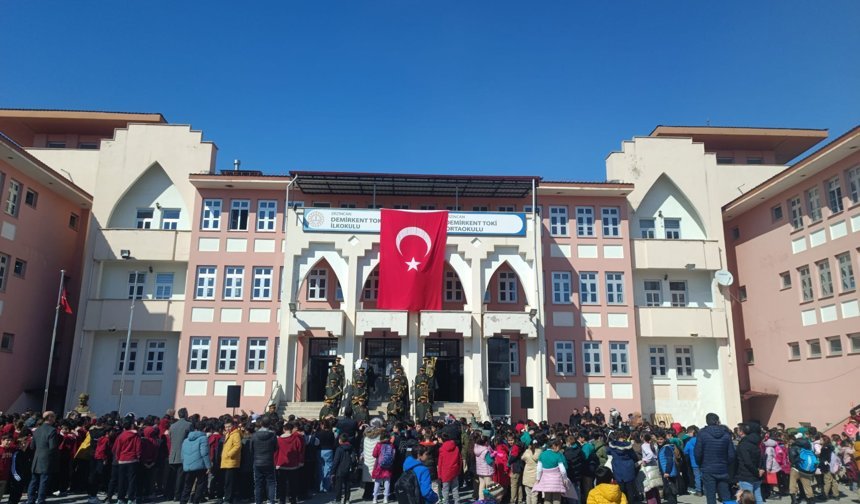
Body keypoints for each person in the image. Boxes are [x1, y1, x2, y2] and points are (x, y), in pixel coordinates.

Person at [694, 413, 735, 504]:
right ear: (717, 421)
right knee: (726, 495)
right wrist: (726, 463)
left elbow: (697, 453)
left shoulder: (702, 434)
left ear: (707, 421)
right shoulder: (726, 434)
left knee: (711, 496)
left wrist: (700, 464)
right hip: (723, 468)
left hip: (707, 468)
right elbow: (731, 455)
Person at [28, 411, 58, 504]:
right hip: (46, 459)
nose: (54, 419)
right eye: (53, 417)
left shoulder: (37, 430)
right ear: (50, 418)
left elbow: (32, 446)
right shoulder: (52, 430)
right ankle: (40, 500)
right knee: (44, 481)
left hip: (36, 458)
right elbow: (53, 447)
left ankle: (30, 500)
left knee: (33, 481)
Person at [180, 421, 210, 504]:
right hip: (200, 465)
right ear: (204, 429)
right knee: (200, 484)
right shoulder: (203, 438)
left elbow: (182, 454)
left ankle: (183, 502)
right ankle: (196, 501)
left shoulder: (186, 440)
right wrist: (208, 466)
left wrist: (184, 464)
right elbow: (204, 453)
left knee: (187, 486)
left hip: (188, 466)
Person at [275, 422, 305, 504]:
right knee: (293, 483)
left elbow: (276, 452)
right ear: (291, 430)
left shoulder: (279, 440)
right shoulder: (296, 439)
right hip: (294, 465)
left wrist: (275, 463)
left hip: (282, 464)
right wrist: (300, 461)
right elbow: (300, 451)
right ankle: (293, 499)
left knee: (282, 484)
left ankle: (282, 500)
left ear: (284, 429)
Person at [251, 416, 278, 504]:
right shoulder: (273, 435)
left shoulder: (254, 435)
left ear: (261, 423)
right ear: (270, 424)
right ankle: (271, 500)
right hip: (269, 460)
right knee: (271, 482)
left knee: (258, 483)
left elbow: (251, 449)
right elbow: (275, 448)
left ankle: (258, 501)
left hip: (257, 461)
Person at [735, 423, 764, 504]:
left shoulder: (743, 445)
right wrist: (761, 469)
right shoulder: (756, 443)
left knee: (745, 499)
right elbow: (761, 457)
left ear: (742, 432)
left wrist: (757, 472)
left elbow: (747, 462)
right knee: (758, 498)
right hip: (756, 475)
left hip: (746, 475)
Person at [533, 438, 568, 504]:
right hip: (557, 481)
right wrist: (565, 478)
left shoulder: (542, 454)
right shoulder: (558, 455)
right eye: (558, 446)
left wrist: (538, 478)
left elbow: (539, 469)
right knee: (557, 499)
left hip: (546, 481)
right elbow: (563, 470)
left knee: (547, 498)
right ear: (554, 446)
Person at [167, 408, 192, 501]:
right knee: (180, 477)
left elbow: (170, 438)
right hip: (183, 454)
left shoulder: (172, 426)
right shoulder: (189, 425)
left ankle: (169, 494)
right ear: (185, 414)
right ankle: (177, 495)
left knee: (171, 476)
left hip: (173, 453)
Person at [607, 430, 638, 504]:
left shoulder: (612, 445)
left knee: (620, 489)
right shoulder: (628, 446)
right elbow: (634, 456)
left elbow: (608, 452)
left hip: (617, 467)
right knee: (630, 489)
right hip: (628, 468)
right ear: (624, 436)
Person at [789, 433, 815, 504]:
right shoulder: (808, 448)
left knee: (792, 484)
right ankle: (811, 501)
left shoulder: (793, 447)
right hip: (805, 470)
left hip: (795, 469)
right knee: (807, 486)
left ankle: (794, 500)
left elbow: (792, 460)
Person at [437, 431, 461, 504]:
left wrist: (439, 474)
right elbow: (459, 460)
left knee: (445, 490)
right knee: (455, 488)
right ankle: (457, 502)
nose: (438, 439)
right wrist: (459, 470)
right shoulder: (456, 447)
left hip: (445, 472)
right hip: (454, 470)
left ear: (441, 439)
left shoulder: (441, 449)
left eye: (438, 438)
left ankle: (446, 502)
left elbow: (440, 463)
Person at [221, 419, 241, 504]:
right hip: (226, 461)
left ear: (233, 426)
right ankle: (230, 498)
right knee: (228, 481)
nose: (227, 428)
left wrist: (229, 454)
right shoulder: (228, 434)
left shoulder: (235, 434)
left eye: (229, 426)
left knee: (229, 482)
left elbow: (237, 446)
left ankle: (228, 499)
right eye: (226, 427)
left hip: (231, 461)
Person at [330, 434, 353, 504]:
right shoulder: (351, 447)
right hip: (349, 468)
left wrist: (332, 472)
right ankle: (347, 500)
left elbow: (336, 461)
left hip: (340, 469)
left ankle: (338, 500)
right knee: (347, 485)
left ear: (340, 440)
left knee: (339, 486)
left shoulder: (339, 449)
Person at [656, 431, 678, 504]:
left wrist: (667, 472)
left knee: (670, 492)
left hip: (668, 473)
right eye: (658, 439)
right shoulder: (662, 448)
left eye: (661, 439)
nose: (659, 441)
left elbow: (669, 461)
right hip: (666, 472)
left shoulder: (666, 448)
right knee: (671, 491)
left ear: (664, 439)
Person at [521, 439, 542, 504]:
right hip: (535, 475)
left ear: (530, 445)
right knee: (534, 495)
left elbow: (522, 458)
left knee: (528, 494)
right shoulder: (540, 452)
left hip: (527, 475)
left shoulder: (527, 451)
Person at [682, 427, 702, 496]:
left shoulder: (689, 442)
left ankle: (699, 491)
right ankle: (706, 489)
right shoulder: (701, 440)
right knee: (704, 476)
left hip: (694, 462)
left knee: (697, 477)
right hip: (702, 461)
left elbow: (685, 451)